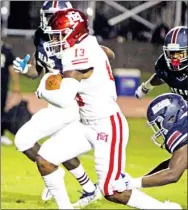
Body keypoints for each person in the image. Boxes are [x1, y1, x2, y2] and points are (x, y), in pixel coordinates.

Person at [36, 8, 181, 209]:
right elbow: (108, 52)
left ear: (74, 32)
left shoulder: (76, 55)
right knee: (46, 159)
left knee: (112, 191)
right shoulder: (89, 42)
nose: (54, 41)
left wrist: (43, 89)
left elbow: (63, 99)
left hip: (107, 125)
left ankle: (164, 208)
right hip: (86, 123)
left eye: (59, 35)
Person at [13, 0, 102, 205]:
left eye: (53, 16)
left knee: (23, 140)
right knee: (60, 147)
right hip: (55, 100)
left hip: (70, 100)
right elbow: (38, 69)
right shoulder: (41, 36)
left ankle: (53, 175)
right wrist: (26, 70)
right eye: (47, 16)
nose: (48, 20)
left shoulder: (78, 40)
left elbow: (97, 60)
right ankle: (89, 188)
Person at [115, 93, 187, 192]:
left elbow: (172, 174)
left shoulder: (182, 131)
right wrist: (139, 182)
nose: (158, 128)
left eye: (158, 123)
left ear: (171, 117)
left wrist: (130, 183)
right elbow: (174, 162)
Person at [135, 26, 188, 101]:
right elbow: (162, 77)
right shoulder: (164, 65)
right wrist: (145, 87)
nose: (175, 59)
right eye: (171, 53)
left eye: (180, 53)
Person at [1, 41, 21, 146]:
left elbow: (12, 69)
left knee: (2, 109)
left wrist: (16, 86)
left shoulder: (6, 50)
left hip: (2, 86)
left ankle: (1, 134)